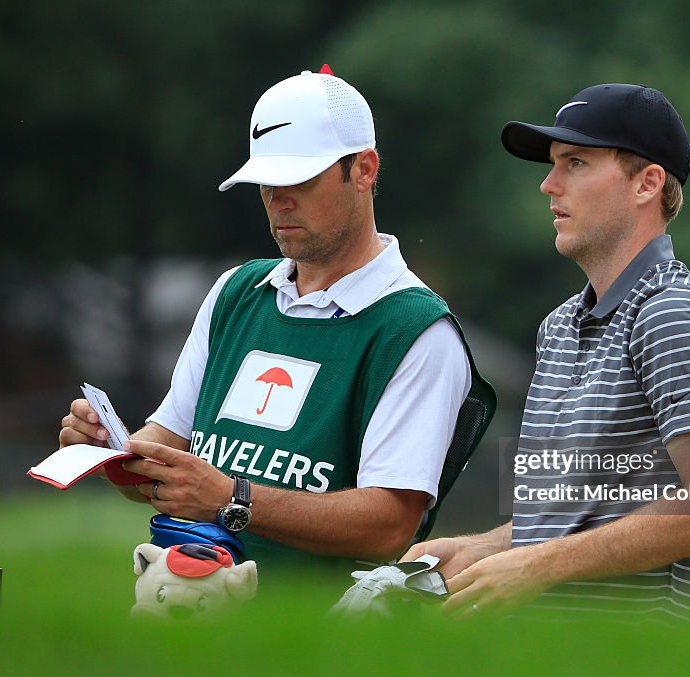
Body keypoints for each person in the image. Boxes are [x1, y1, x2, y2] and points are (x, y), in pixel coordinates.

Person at [58, 66, 494, 582]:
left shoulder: (416, 330)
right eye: (267, 181)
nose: (278, 199)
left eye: (301, 180)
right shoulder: (236, 291)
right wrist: (113, 454)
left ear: (364, 170)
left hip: (319, 638)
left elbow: (389, 526)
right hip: (183, 603)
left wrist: (231, 500)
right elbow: (168, 461)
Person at [403, 84, 690, 625]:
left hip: (649, 672)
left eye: (576, 163)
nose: (548, 184)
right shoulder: (559, 326)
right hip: (561, 672)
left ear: (648, 183)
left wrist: (536, 566)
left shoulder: (675, 312)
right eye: (553, 165)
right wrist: (489, 550)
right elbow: (581, 515)